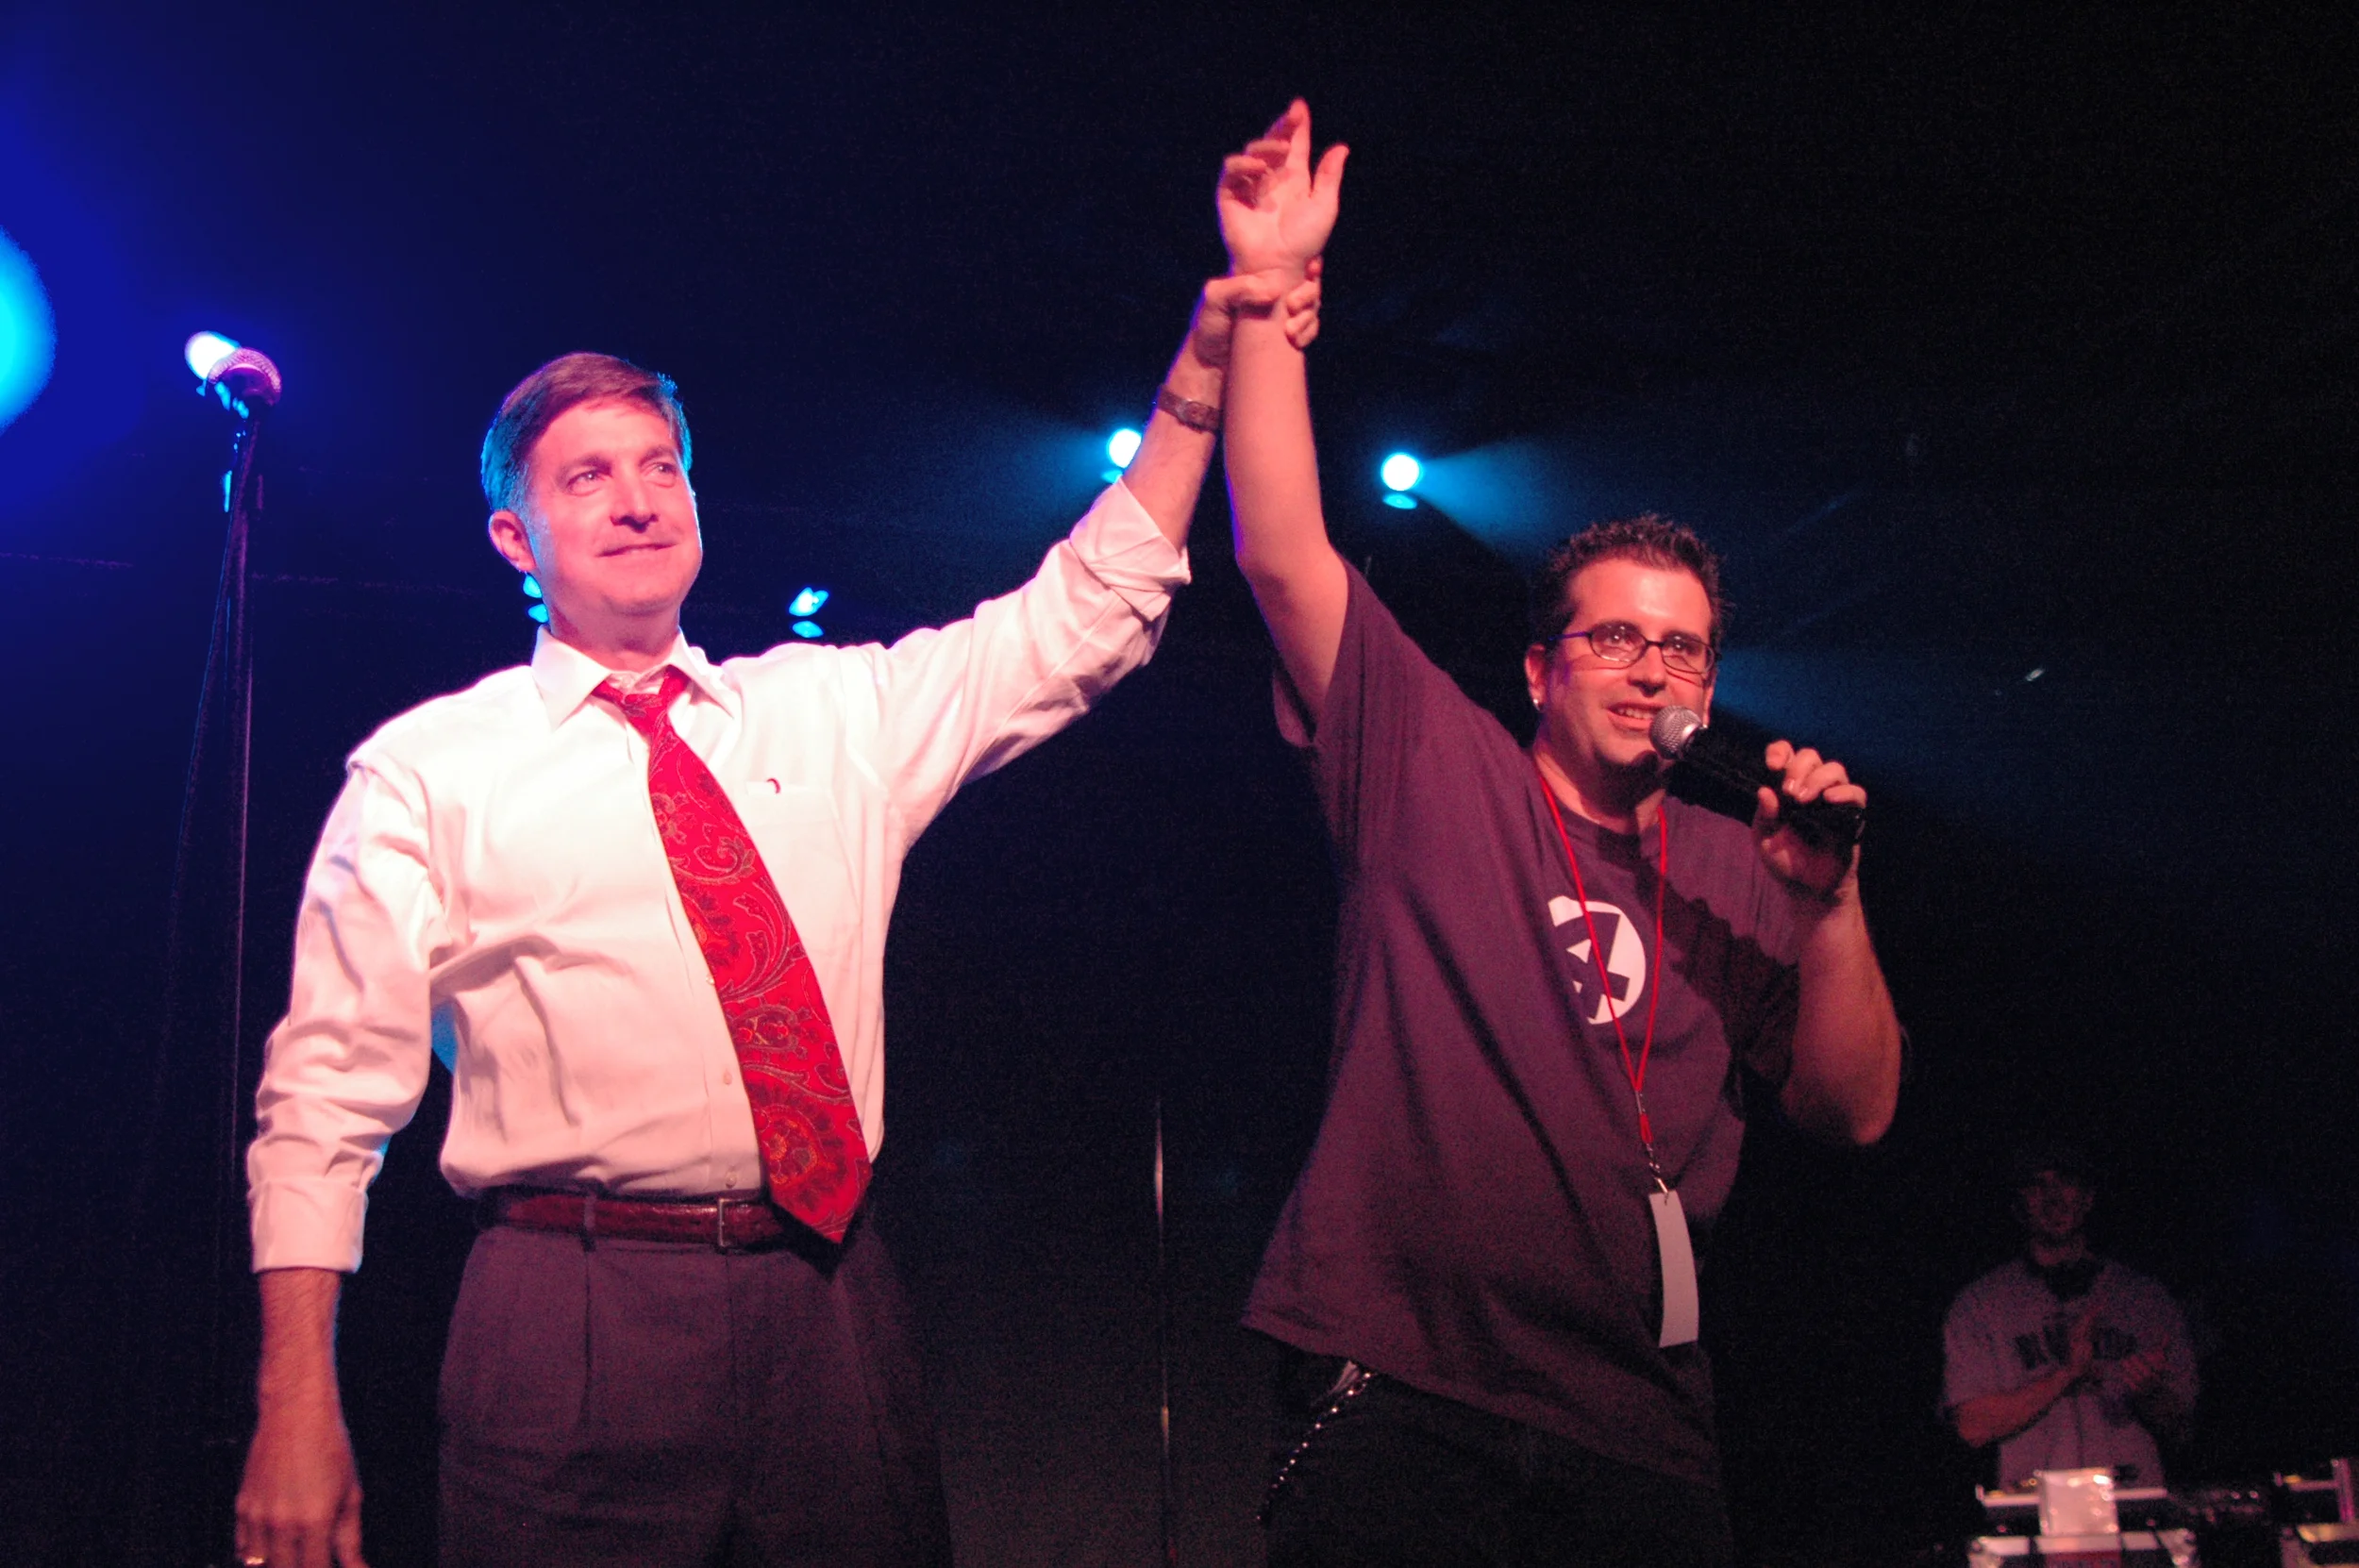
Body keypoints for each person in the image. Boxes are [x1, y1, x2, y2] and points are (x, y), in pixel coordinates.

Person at [231, 228, 1322, 1565]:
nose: (638, 499)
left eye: (660, 467)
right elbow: (323, 1102)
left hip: (831, 1294)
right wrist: (295, 1406)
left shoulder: (832, 709)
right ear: (517, 535)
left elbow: (1082, 612)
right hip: (570, 1304)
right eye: (588, 477)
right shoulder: (427, 769)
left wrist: (1205, 365)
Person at [1215, 103, 1906, 1565]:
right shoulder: (1431, 763)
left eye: (1685, 650)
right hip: (1408, 1386)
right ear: (1540, 668)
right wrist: (1273, 297)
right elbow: (1282, 549)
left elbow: (1853, 1113)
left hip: (1638, 1423)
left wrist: (1833, 903)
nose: (1652, 669)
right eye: (1614, 638)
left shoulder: (1747, 865)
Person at [1943, 1143, 2197, 1491]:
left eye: (2066, 1182)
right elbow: (1971, 1427)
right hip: (2036, 1508)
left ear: (2088, 1198)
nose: (2053, 1198)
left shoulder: (2144, 1299)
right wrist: (2067, 1374)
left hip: (2132, 1503)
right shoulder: (1981, 1305)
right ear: (2019, 1206)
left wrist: (2149, 1394)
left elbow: (2183, 1428)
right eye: (2037, 1185)